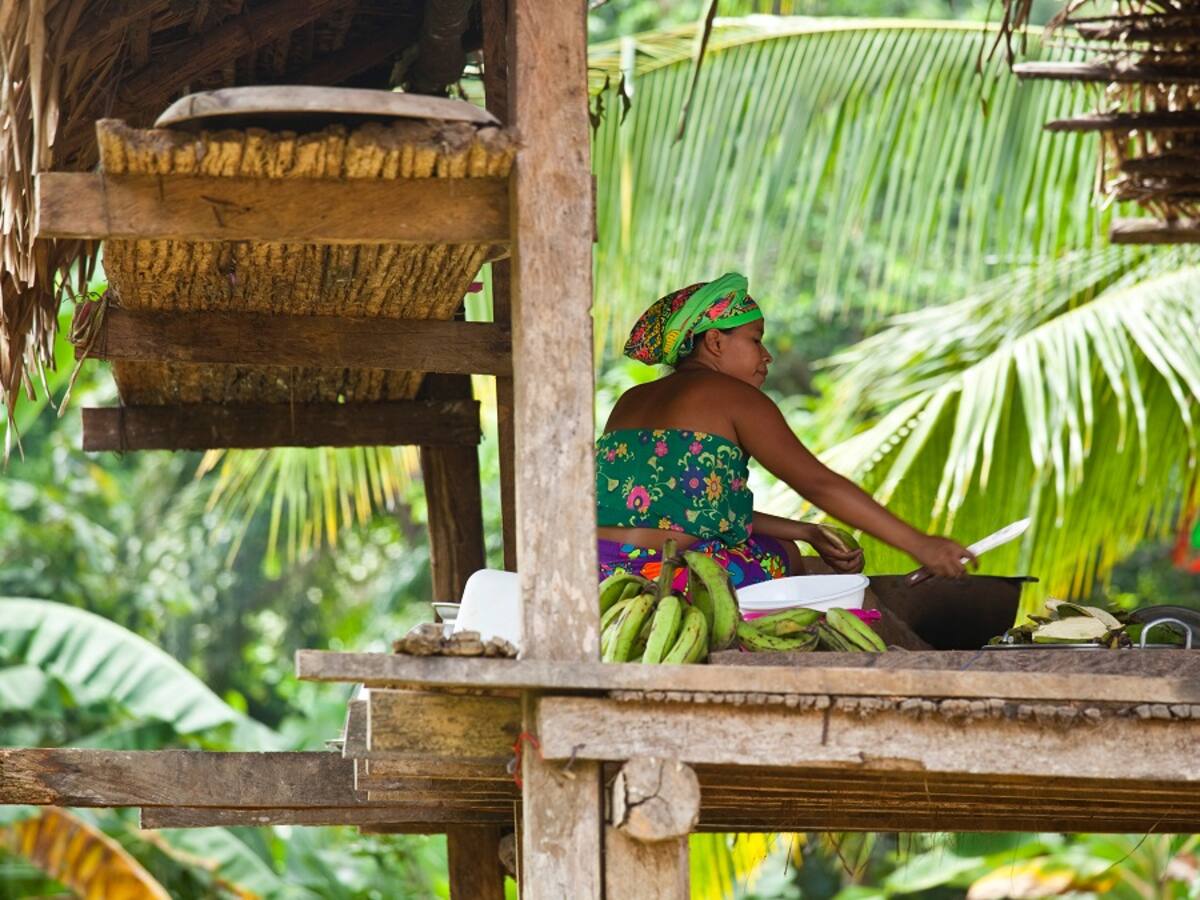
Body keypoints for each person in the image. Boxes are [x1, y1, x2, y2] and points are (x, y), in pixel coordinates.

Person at [596, 272, 975, 590]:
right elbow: (818, 484)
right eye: (755, 340)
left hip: (602, 572)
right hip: (670, 578)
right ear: (714, 341)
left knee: (789, 545)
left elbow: (688, 510)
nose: (767, 356)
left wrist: (806, 530)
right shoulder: (736, 397)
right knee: (786, 555)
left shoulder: (630, 400)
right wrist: (919, 544)